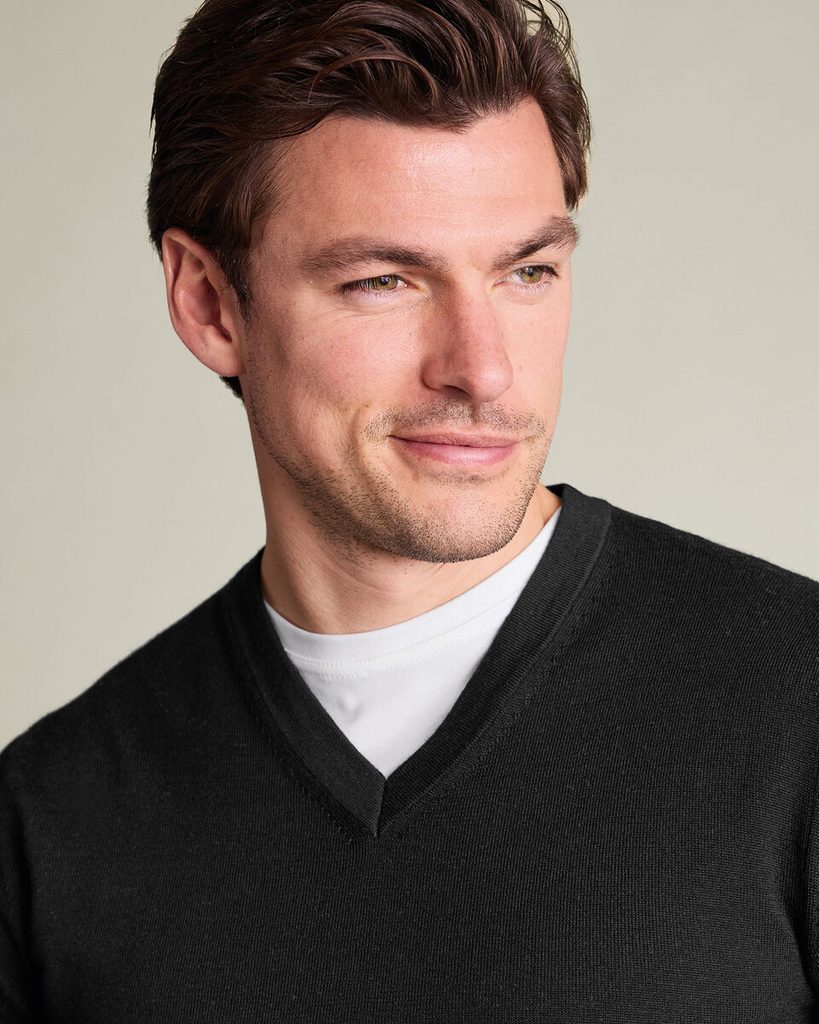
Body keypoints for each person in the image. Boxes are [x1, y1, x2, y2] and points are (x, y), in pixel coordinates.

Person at [1, 0, 817, 1019]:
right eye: (383, 280)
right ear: (209, 303)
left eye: (527, 271)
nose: (483, 368)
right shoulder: (51, 822)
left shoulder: (796, 704)